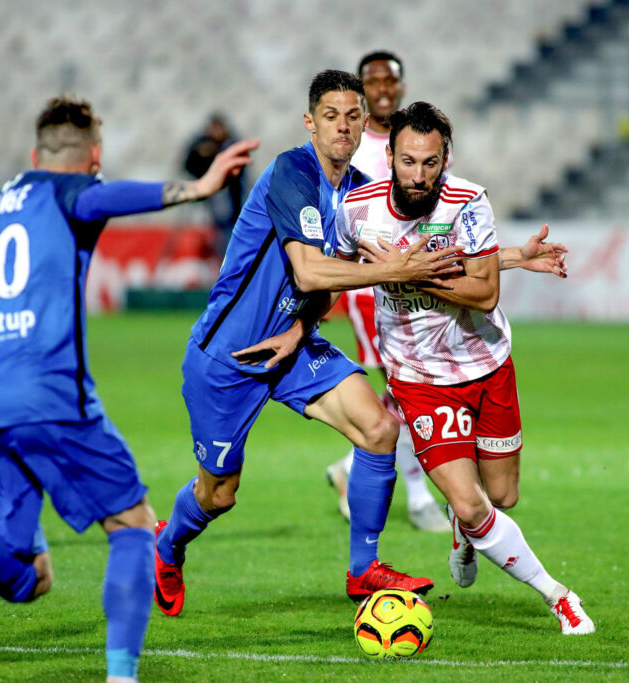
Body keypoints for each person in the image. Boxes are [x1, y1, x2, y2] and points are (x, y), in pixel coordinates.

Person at [0, 94, 257, 682]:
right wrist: (200, 186)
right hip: (46, 389)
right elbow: (100, 198)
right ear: (94, 157)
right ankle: (120, 677)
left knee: (31, 579)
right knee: (133, 525)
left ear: (34, 152)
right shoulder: (69, 191)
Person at [152, 70, 464, 617]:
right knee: (218, 494)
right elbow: (310, 270)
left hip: (290, 346)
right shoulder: (290, 172)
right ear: (310, 123)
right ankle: (166, 544)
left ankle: (364, 570)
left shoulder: (362, 188)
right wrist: (388, 267)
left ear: (365, 122)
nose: (342, 127)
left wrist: (300, 329)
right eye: (330, 116)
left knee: (379, 428)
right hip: (229, 355)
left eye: (352, 116)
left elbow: (337, 281)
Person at [334, 102, 595, 635]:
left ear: (445, 158)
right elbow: (331, 270)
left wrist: (412, 271)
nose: (418, 174)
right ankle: (558, 596)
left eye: (430, 162)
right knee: (476, 507)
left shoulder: (467, 201)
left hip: (486, 363)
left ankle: (463, 526)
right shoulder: (357, 209)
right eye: (408, 161)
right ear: (390, 156)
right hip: (419, 378)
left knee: (501, 498)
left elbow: (482, 291)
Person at [325, 50, 452, 532]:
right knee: (406, 385)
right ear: (362, 86)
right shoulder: (352, 142)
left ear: (399, 86)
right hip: (369, 282)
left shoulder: (416, 139)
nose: (382, 88)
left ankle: (352, 466)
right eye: (373, 80)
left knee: (403, 388)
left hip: (416, 276)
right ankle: (418, 496)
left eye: (390, 80)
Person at [183, 113, 249, 256]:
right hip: (204, 194)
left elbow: (241, 169)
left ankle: (226, 259)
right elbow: (188, 165)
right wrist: (202, 154)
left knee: (226, 229)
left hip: (228, 195)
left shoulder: (232, 144)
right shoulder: (201, 143)